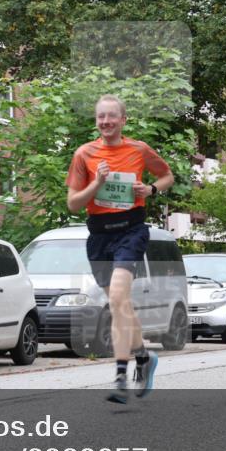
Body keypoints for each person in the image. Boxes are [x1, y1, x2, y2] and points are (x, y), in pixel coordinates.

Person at [66, 94, 174, 403]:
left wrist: (151, 188)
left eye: (112, 117)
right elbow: (73, 204)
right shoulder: (84, 154)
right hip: (99, 236)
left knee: (116, 298)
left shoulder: (138, 150)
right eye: (101, 117)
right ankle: (144, 357)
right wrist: (95, 185)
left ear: (123, 120)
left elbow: (167, 175)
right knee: (121, 305)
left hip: (131, 230)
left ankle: (120, 377)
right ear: (96, 120)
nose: (106, 122)